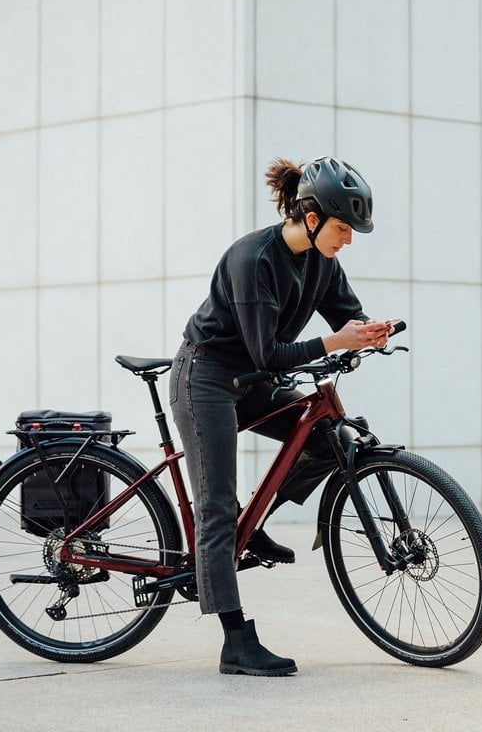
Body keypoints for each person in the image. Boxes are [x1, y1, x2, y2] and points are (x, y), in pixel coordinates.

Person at [169, 157, 392, 676]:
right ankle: (235, 643)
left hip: (251, 382)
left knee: (328, 436)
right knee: (218, 506)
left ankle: (259, 522)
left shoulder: (321, 262)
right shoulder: (254, 258)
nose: (349, 240)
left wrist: (371, 330)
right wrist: (335, 340)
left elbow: (346, 316)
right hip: (206, 380)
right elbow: (268, 352)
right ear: (311, 218)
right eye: (343, 228)